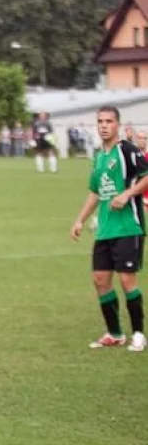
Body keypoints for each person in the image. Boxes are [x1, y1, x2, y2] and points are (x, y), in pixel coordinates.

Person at [71, 107, 148, 352]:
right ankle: (115, 333)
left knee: (127, 281)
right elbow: (95, 191)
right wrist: (80, 220)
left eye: (109, 121)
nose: (104, 125)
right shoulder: (99, 156)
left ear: (117, 124)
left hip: (128, 227)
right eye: (100, 122)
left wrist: (128, 193)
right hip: (105, 229)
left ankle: (138, 333)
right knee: (100, 280)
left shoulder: (126, 150)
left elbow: (146, 176)